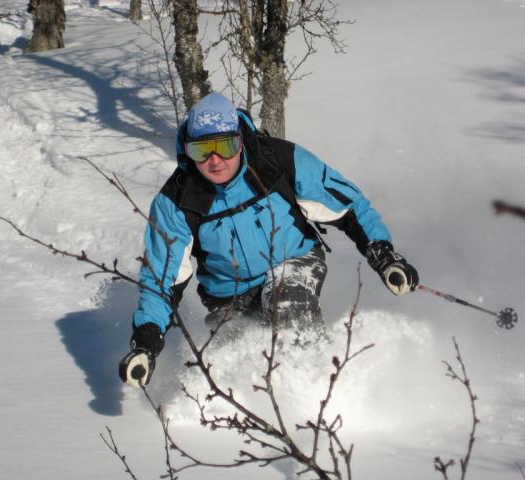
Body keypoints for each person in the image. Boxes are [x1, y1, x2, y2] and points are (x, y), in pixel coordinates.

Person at [119, 93, 418, 387]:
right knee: (230, 364)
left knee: (286, 303)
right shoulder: (176, 202)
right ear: (187, 151)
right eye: (201, 151)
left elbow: (348, 204)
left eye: (225, 146)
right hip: (230, 295)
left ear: (239, 139)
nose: (215, 161)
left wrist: (383, 255)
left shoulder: (277, 160)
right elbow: (161, 278)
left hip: (295, 260)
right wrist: (147, 340)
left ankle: (320, 389)